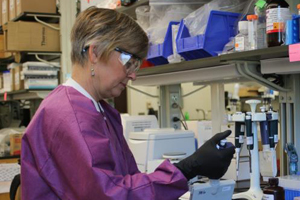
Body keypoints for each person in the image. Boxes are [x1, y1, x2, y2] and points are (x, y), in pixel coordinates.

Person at [21, 7, 235, 200]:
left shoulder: (98, 109)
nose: (133, 75)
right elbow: (109, 194)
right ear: (94, 52)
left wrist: (186, 169)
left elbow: (126, 182)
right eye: (129, 62)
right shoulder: (69, 115)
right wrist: (187, 168)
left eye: (137, 65)